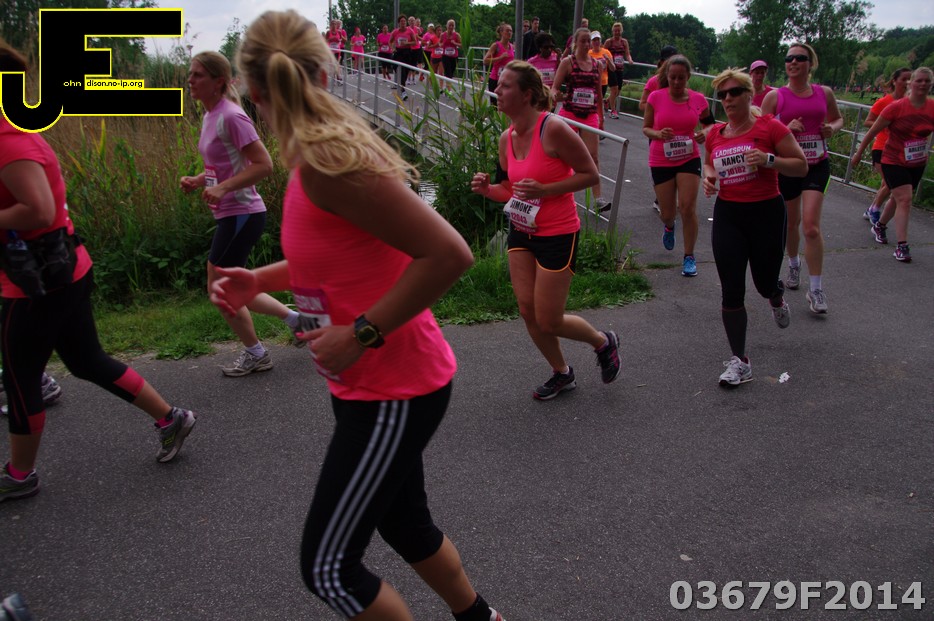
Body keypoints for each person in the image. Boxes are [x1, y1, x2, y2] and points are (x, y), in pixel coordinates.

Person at [219, 11, 505, 621]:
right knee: (406, 525)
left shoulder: (330, 164)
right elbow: (331, 261)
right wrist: (258, 280)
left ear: (254, 94)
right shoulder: (312, 162)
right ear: (328, 73)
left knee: (327, 567)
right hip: (370, 385)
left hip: (393, 387)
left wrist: (361, 333)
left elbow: (449, 254)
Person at [0, 39, 196, 503]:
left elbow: (38, 208)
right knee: (86, 361)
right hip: (64, 270)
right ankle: (171, 418)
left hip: (36, 282)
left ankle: (19, 475)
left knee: (21, 379)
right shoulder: (15, 130)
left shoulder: (8, 140)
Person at [471, 60, 622, 400]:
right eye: (498, 85)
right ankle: (562, 372)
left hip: (558, 232)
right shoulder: (506, 139)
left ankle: (603, 342)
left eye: (505, 86)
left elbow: (590, 175)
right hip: (522, 230)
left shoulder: (552, 129)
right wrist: (487, 190)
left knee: (549, 319)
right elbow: (509, 190)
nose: (497, 90)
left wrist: (546, 189)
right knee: (527, 310)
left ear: (526, 95)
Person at [180, 51, 301, 377]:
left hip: (242, 213)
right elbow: (225, 165)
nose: (190, 80)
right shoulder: (211, 115)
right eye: (190, 74)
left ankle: (257, 353)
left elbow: (264, 165)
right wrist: (200, 180)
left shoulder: (232, 116)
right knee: (230, 286)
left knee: (220, 289)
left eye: (198, 75)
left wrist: (223, 188)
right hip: (231, 214)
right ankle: (296, 321)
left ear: (218, 81)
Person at [702, 68, 807, 387]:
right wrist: (709, 177)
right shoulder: (715, 133)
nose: (728, 99)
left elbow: (801, 165)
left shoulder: (770, 127)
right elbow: (709, 161)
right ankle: (740, 361)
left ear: (749, 95)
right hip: (729, 215)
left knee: (763, 283)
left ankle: (775, 295)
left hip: (766, 214)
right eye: (722, 94)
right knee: (732, 289)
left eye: (735, 92)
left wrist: (769, 160)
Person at [761, 43, 843, 314]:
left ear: (810, 63)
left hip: (816, 165)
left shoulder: (824, 93)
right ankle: (794, 263)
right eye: (789, 58)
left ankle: (816, 289)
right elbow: (761, 130)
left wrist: (831, 129)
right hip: (789, 166)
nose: (793, 62)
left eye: (800, 58)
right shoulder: (775, 96)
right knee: (791, 223)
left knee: (811, 227)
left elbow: (838, 119)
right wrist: (785, 128)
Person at [642, 54, 716, 277]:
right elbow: (646, 128)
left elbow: (711, 125)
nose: (676, 82)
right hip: (661, 159)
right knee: (668, 213)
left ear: (688, 77)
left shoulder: (698, 99)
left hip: (688, 157)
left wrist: (704, 133)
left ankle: (689, 256)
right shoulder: (656, 97)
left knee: (687, 207)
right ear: (667, 76)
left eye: (681, 78)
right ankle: (669, 226)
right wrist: (658, 134)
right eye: (672, 77)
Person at [851, 67, 934, 263]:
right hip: (893, 160)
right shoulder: (896, 107)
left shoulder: (931, 108)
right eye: (919, 80)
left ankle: (879, 225)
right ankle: (902, 246)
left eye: (927, 81)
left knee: (898, 199)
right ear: (911, 83)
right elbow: (871, 131)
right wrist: (858, 153)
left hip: (916, 161)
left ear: (931, 84)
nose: (923, 84)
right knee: (905, 198)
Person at [552, 27, 610, 212]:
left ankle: (598, 199)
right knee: (561, 154)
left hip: (590, 114)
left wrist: (601, 118)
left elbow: (598, 93)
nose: (586, 44)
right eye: (583, 41)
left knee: (593, 156)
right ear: (576, 42)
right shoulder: (568, 62)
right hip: (570, 113)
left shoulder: (597, 65)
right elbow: (555, 87)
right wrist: (554, 95)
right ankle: (556, 191)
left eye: (589, 41)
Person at [860, 67, 911, 226]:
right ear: (894, 81)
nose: (907, 83)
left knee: (887, 183)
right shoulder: (884, 102)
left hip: (900, 150)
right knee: (890, 183)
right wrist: (886, 124)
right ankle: (874, 209)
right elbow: (867, 121)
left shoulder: (910, 103)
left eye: (910, 79)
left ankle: (871, 209)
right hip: (882, 148)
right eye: (904, 79)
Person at [605, 22, 633, 120]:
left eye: (618, 31)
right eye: (615, 31)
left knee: (618, 91)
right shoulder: (609, 42)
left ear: (621, 31)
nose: (617, 32)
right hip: (611, 68)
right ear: (612, 31)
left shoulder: (624, 42)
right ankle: (613, 110)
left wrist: (630, 60)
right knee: (614, 89)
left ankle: (607, 101)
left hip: (620, 68)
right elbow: (603, 53)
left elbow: (627, 53)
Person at [639, 45, 678, 112]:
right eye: (669, 61)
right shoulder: (653, 81)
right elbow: (642, 105)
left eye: (675, 62)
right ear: (662, 62)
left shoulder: (679, 81)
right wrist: (660, 108)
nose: (672, 64)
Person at [586, 32, 616, 119]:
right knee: (591, 100)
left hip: (603, 81)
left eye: (598, 40)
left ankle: (599, 117)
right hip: (591, 80)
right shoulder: (588, 53)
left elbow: (613, 68)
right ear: (591, 42)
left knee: (599, 100)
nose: (596, 42)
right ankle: (592, 116)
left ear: (600, 41)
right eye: (594, 40)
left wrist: (608, 60)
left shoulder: (606, 52)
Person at [484, 23, 515, 106]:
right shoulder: (496, 46)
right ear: (501, 32)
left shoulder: (512, 46)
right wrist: (500, 58)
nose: (509, 33)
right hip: (495, 79)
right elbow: (485, 61)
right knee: (495, 105)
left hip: (507, 80)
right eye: (507, 31)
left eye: (511, 31)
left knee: (506, 104)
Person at [390, 15, 417, 100]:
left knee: (405, 72)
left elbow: (415, 42)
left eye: (404, 21)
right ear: (399, 23)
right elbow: (390, 41)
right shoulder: (395, 32)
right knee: (400, 71)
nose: (403, 23)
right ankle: (403, 91)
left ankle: (402, 86)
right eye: (401, 21)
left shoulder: (410, 31)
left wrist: (407, 43)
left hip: (407, 52)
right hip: (398, 52)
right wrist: (393, 48)